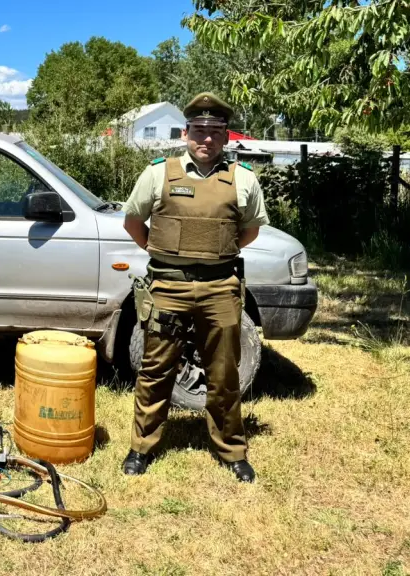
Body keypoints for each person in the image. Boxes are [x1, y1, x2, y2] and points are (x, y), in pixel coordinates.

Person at [120, 92, 269, 482]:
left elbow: (249, 231)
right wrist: (158, 249)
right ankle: (142, 447)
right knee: (156, 369)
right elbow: (134, 222)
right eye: (199, 130)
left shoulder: (244, 180)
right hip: (168, 286)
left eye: (215, 132)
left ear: (226, 137)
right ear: (186, 133)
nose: (206, 139)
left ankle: (232, 451)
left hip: (221, 288)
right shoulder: (157, 173)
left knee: (224, 373)